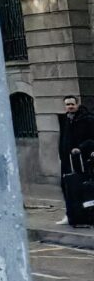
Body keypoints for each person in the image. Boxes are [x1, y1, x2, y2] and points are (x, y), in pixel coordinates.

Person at [59, 96, 93, 227]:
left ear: (77, 104)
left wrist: (80, 148)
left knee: (83, 187)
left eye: (72, 104)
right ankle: (71, 214)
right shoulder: (66, 119)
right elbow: (63, 139)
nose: (70, 107)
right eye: (67, 105)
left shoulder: (87, 119)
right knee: (67, 187)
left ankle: (86, 214)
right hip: (68, 160)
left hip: (83, 160)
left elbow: (91, 139)